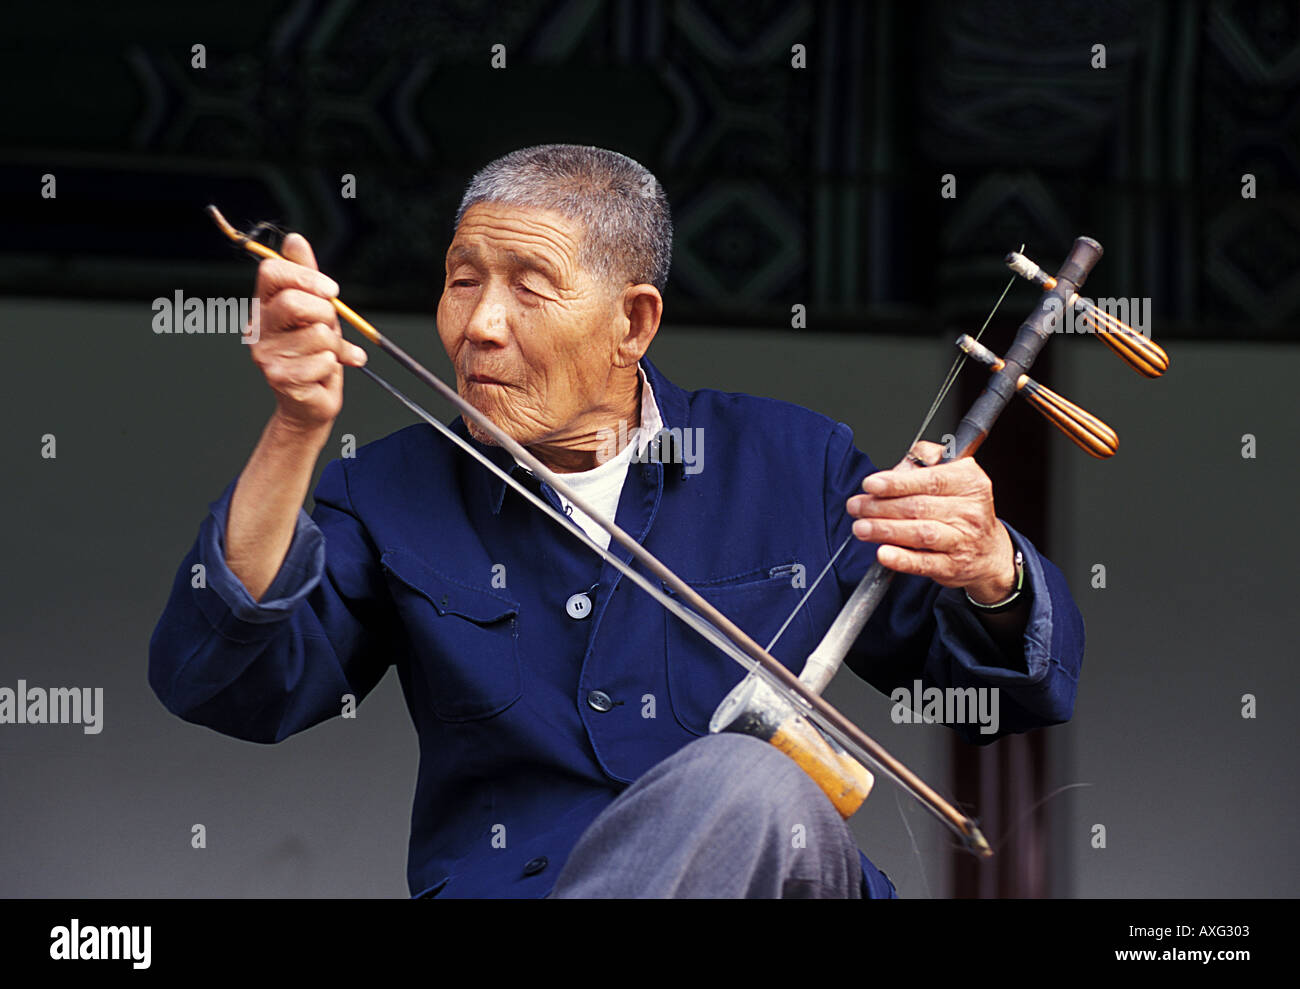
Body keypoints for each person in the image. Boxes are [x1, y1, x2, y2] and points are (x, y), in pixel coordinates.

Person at [149, 144, 1084, 899]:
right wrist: (296, 427)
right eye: (462, 279)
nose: (478, 324)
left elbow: (1009, 694)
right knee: (746, 778)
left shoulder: (790, 464)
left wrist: (991, 566)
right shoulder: (390, 490)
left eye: (528, 284)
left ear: (632, 323)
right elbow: (229, 684)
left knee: (749, 785)